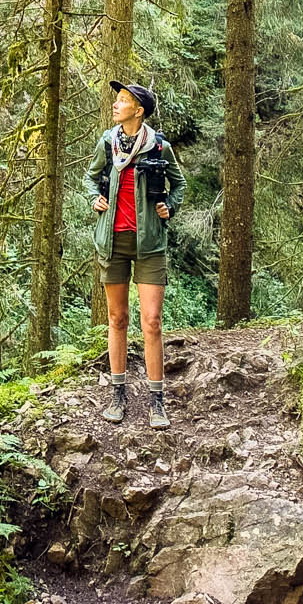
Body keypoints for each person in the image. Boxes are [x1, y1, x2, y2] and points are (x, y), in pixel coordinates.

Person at [84, 81, 186, 428]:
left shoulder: (158, 146)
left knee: (152, 321)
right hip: (112, 242)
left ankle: (157, 401)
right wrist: (93, 198)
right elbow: (90, 177)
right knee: (117, 319)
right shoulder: (108, 142)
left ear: (138, 110)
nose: (116, 104)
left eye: (123, 101)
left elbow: (179, 184)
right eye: (117, 99)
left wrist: (168, 206)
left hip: (150, 245)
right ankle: (118, 393)